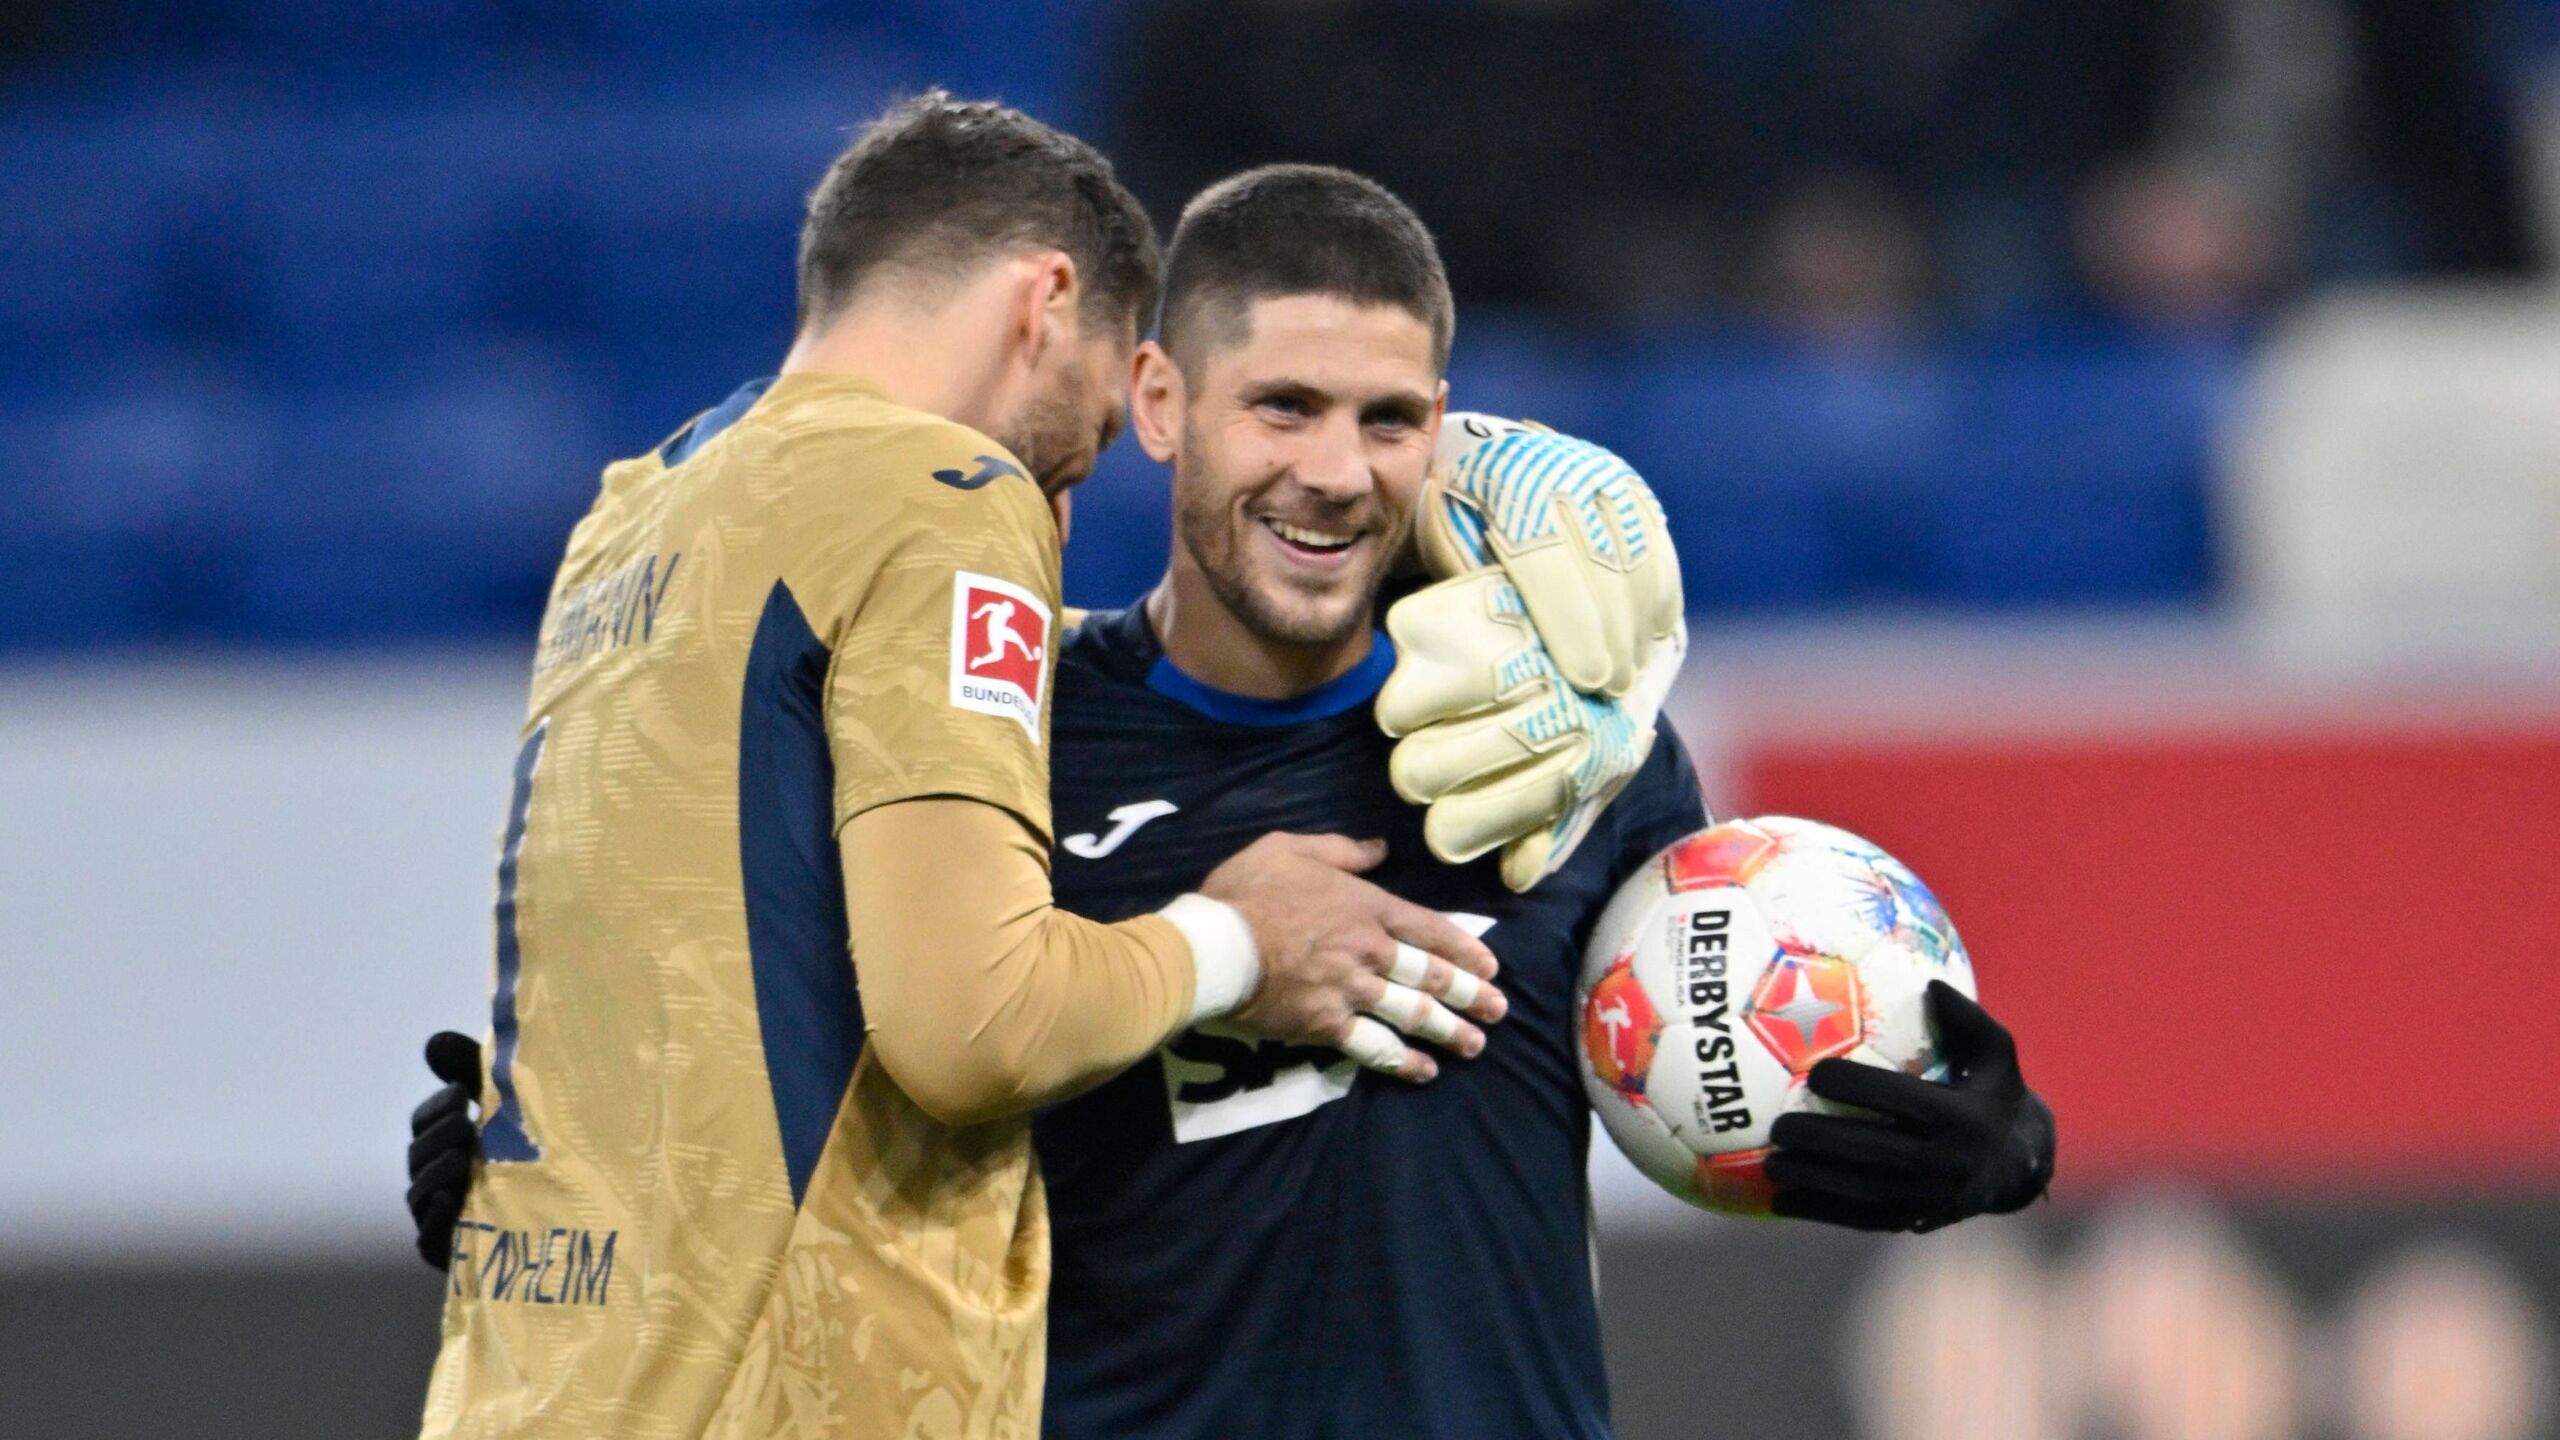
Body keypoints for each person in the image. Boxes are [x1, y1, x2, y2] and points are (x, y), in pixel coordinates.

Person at [412, 163, 2057, 1439]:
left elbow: (1715, 1034)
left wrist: (1973, 1149)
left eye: (1389, 418)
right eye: (1283, 406)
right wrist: (544, 1159)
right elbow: (803, 1076)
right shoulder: (1004, 745)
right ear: (1157, 408)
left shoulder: (1570, 746)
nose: (1335, 472)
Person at [412, 98, 1529, 1440]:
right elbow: (971, 1024)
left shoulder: (642, 511)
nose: (1061, 500)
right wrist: (1237, 943)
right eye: (1094, 423)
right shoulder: (943, 490)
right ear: (1045, 303)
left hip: (544, 1381)